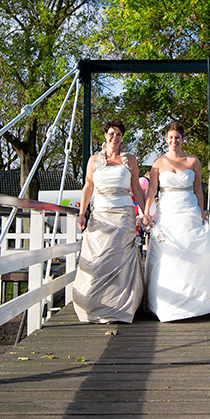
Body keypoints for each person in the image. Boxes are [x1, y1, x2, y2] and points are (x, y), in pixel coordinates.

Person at [142, 122, 210, 321]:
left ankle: (199, 303)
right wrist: (147, 212)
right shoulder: (158, 163)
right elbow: (151, 191)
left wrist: (201, 212)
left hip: (188, 209)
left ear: (182, 139)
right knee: (168, 254)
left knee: (193, 250)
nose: (174, 141)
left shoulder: (193, 161)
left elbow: (198, 189)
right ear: (166, 138)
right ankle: (167, 304)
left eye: (178, 137)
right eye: (171, 137)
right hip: (167, 212)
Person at [71, 120, 147, 323]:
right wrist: (81, 213)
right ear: (105, 135)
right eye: (111, 133)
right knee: (99, 260)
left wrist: (144, 211)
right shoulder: (94, 160)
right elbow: (88, 187)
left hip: (123, 215)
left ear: (122, 138)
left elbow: (137, 188)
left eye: (119, 134)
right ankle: (98, 306)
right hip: (100, 215)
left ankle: (122, 308)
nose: (115, 138)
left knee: (121, 261)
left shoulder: (130, 160)